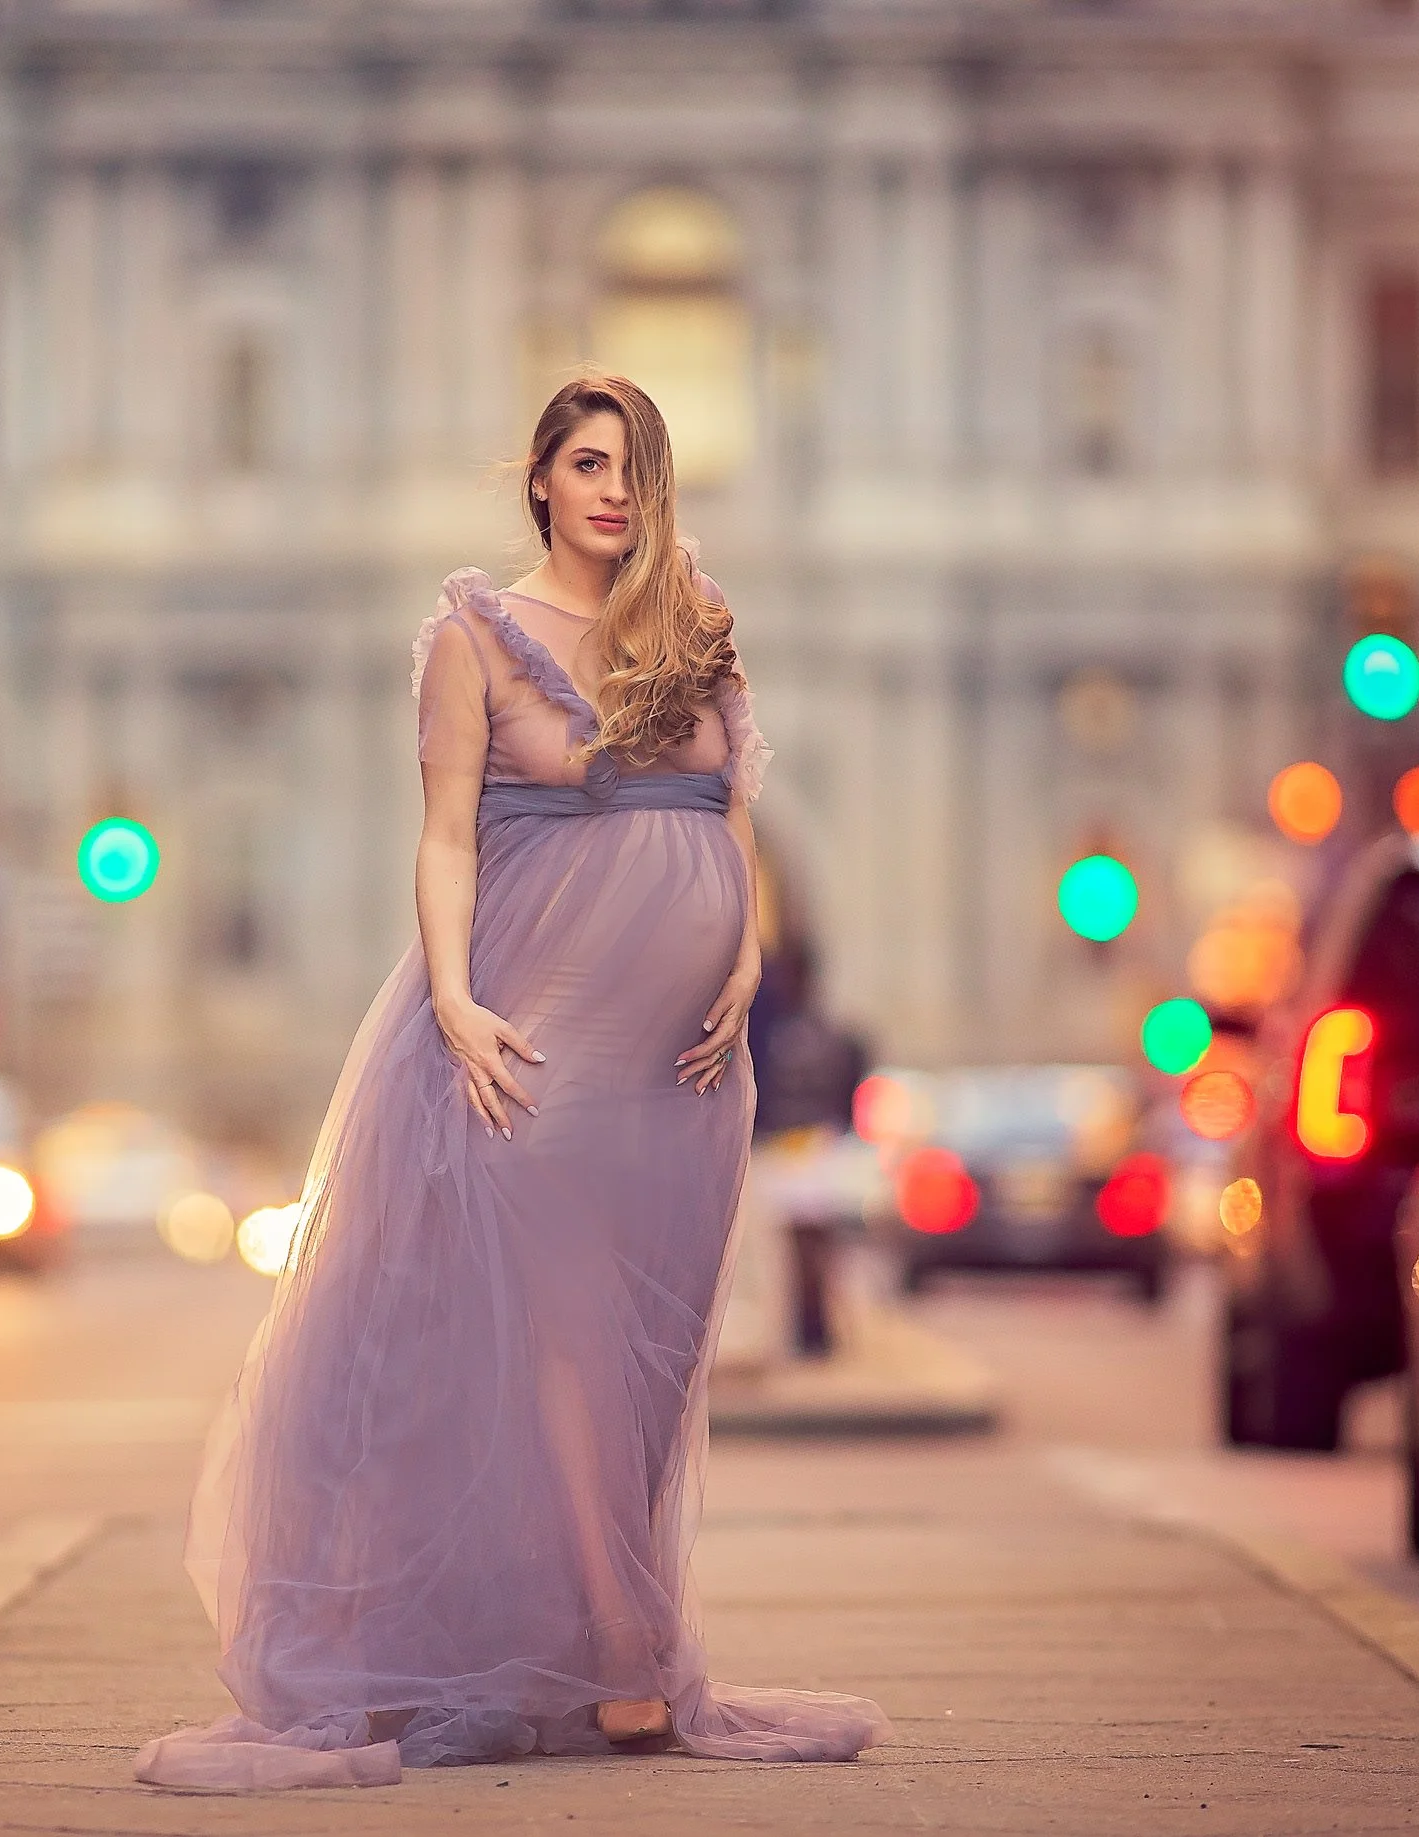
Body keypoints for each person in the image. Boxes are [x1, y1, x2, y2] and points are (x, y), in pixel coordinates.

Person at [135, 376, 891, 1789]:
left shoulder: (697, 627)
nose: (613, 491)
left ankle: (596, 1629)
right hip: (535, 1041)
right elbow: (445, 845)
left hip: (685, 1066)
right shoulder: (472, 637)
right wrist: (458, 999)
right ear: (539, 479)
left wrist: (743, 969)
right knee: (563, 1331)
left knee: (654, 1356)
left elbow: (734, 822)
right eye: (587, 464)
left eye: (635, 470)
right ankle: (620, 1654)